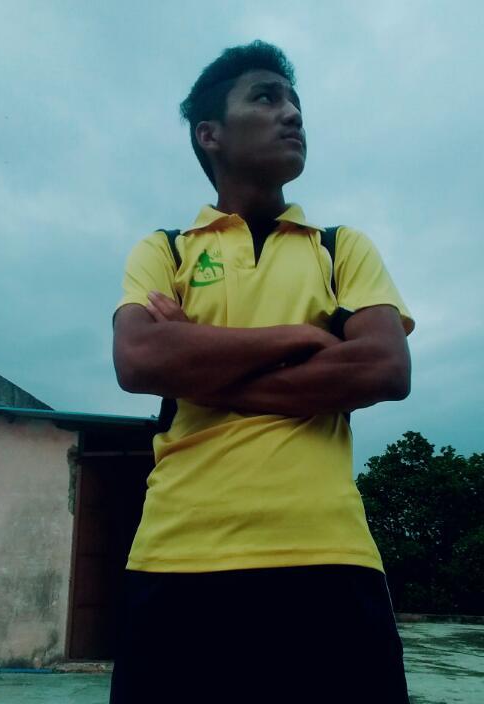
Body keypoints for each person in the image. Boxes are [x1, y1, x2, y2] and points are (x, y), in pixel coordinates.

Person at [110, 40, 414, 703]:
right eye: (267, 97)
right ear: (210, 134)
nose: (292, 113)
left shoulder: (340, 247)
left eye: (295, 100)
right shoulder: (165, 250)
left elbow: (385, 367)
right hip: (177, 557)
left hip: (329, 556)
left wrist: (199, 358)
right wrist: (303, 337)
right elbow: (138, 360)